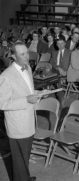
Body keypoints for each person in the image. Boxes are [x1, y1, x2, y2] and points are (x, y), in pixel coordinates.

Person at [0, 42, 42, 181]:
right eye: (22, 54)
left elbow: (27, 91)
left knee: (24, 156)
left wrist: (38, 93)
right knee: (19, 159)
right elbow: (2, 103)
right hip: (17, 125)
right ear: (13, 56)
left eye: (27, 53)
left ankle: (24, 177)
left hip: (29, 121)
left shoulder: (28, 68)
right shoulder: (6, 76)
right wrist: (26, 100)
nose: (27, 56)